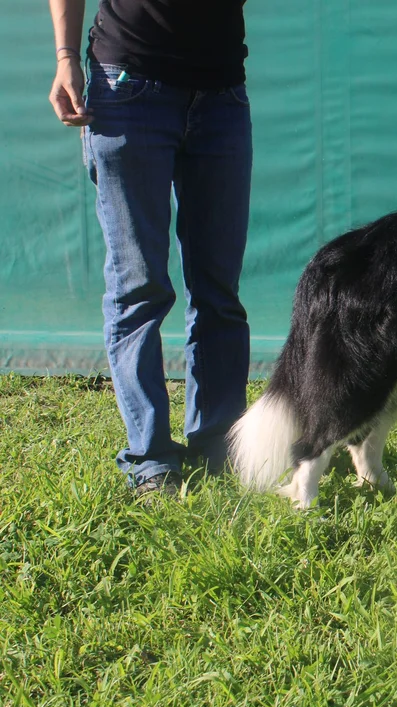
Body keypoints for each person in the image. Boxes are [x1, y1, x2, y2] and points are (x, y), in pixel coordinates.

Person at [48, 0, 252, 497]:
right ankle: (152, 460)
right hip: (128, 86)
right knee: (138, 289)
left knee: (218, 291)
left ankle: (219, 447)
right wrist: (65, 56)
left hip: (222, 91)